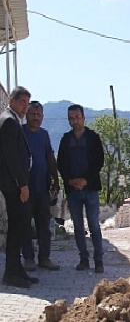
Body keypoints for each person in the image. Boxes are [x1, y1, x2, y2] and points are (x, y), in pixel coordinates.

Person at [57, 104, 105, 273]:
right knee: (78, 227)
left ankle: (98, 261)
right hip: (73, 191)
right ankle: (83, 259)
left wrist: (85, 180)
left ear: (84, 118)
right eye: (71, 118)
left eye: (77, 117)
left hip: (90, 189)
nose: (74, 121)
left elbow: (99, 161)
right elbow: (60, 163)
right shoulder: (65, 139)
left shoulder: (93, 137)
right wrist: (70, 181)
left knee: (94, 225)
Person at [0, 86, 38, 287]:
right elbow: (11, 158)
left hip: (15, 184)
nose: (25, 107)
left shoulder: (12, 120)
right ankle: (11, 273)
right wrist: (22, 185)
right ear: (12, 101)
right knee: (17, 227)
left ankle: (17, 269)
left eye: (27, 103)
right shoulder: (8, 121)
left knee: (20, 225)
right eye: (22, 102)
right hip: (14, 186)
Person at [21, 101, 60, 271]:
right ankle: (28, 259)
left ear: (43, 117)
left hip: (42, 188)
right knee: (25, 225)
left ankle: (44, 258)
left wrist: (56, 179)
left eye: (38, 115)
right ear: (26, 115)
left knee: (44, 225)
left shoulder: (44, 135)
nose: (36, 118)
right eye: (32, 114)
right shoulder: (20, 133)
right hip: (25, 188)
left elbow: (50, 157)